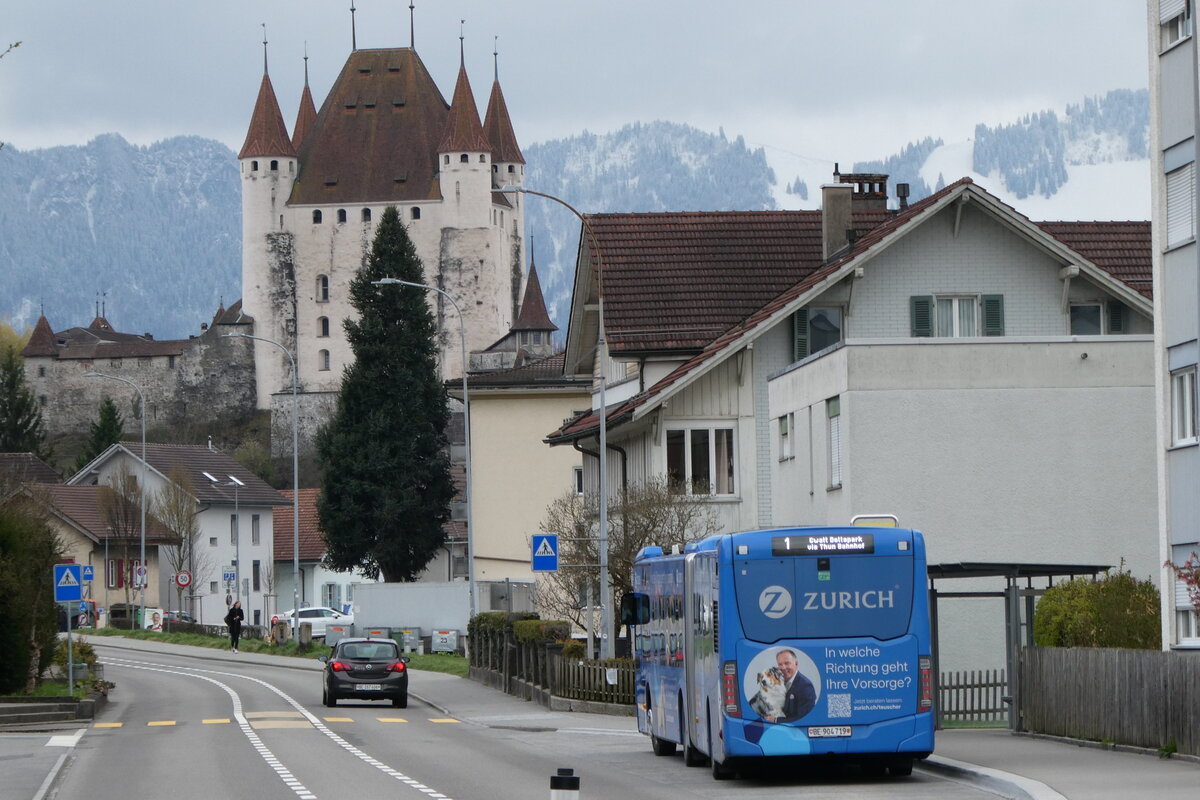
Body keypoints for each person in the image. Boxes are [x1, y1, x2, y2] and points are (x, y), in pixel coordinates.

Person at [771, 648, 816, 723]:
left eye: (787, 663)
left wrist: (776, 720)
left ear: (796, 664)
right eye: (780, 664)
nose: (783, 668)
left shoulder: (805, 686)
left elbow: (805, 718)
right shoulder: (778, 682)